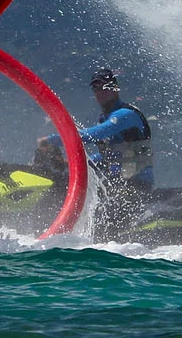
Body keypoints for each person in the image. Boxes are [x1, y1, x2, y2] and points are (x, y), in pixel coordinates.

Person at [37, 67, 154, 240]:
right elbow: (107, 156)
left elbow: (94, 134)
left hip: (136, 186)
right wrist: (73, 165)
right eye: (95, 88)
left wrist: (53, 139)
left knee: (100, 228)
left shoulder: (126, 114)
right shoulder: (103, 118)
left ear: (116, 89)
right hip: (117, 185)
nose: (100, 92)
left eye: (105, 86)